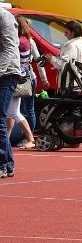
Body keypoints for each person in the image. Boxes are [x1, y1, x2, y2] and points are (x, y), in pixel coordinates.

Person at [6, 17, 40, 149]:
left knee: (14, 112)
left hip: (16, 78)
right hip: (23, 76)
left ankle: (30, 138)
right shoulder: (27, 40)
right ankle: (6, 138)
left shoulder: (19, 41)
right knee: (12, 111)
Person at [14, 16, 48, 145]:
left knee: (26, 109)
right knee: (20, 109)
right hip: (27, 77)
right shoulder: (25, 40)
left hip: (25, 78)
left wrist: (44, 79)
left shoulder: (25, 41)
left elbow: (39, 61)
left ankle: (29, 136)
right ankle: (23, 136)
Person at [1, 8, 24, 178]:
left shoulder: (5, 17)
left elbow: (10, 48)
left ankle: (3, 164)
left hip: (8, 72)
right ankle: (7, 164)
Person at [45, 19, 82, 91]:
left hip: (69, 84)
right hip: (75, 83)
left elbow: (65, 64)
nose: (65, 35)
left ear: (73, 33)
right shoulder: (78, 43)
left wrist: (52, 59)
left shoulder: (72, 45)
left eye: (66, 32)